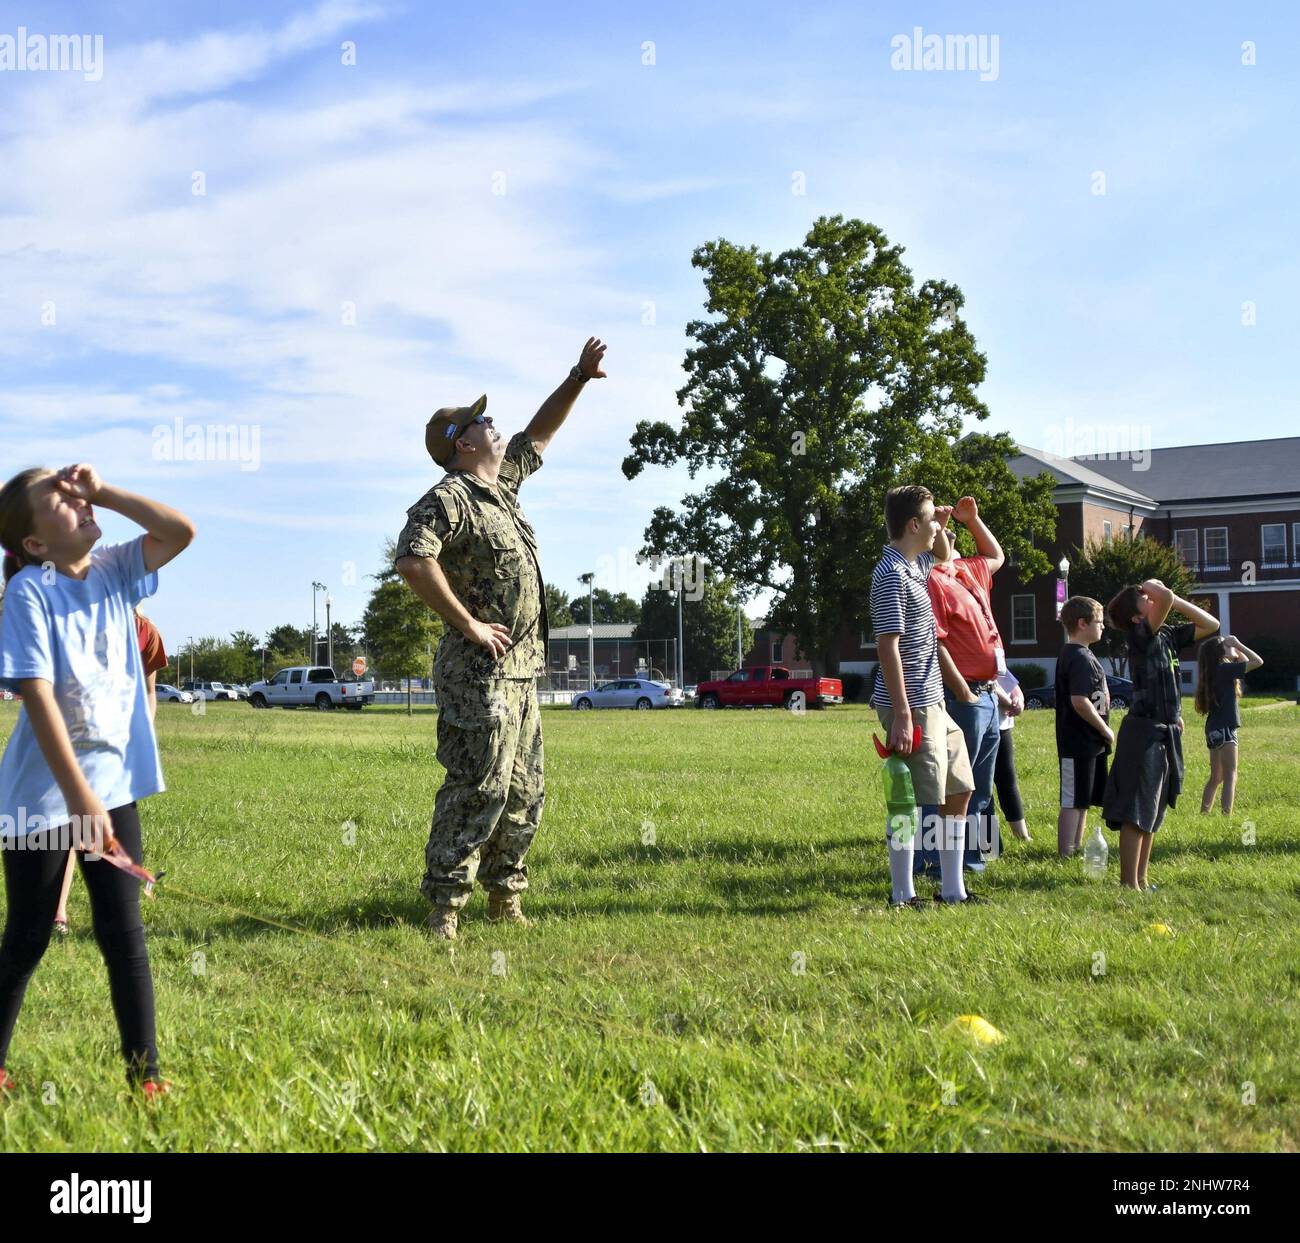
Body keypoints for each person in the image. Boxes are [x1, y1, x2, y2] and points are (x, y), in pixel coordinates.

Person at [395, 338, 608, 940]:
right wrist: (466, 623)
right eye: (483, 421)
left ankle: (505, 895)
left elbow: (538, 436)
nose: (495, 424)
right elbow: (414, 561)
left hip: (521, 672)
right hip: (478, 671)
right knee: (478, 784)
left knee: (524, 790)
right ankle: (444, 907)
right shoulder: (449, 499)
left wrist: (578, 378)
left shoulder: (502, 486)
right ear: (463, 442)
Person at [0, 463, 194, 1097]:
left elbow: (181, 531)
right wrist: (79, 801)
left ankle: (147, 1080)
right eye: (60, 500)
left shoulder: (114, 570)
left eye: (77, 493)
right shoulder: (31, 590)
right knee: (28, 937)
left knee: (124, 936)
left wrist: (104, 491)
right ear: (33, 544)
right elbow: (36, 693)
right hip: (41, 798)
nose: (76, 501)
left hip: (112, 790)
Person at [870, 485, 980, 908]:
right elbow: (888, 646)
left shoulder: (914, 565)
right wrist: (901, 714)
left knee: (959, 789)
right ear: (913, 525)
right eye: (931, 519)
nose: (939, 527)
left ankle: (952, 890)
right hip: (910, 704)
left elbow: (944, 556)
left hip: (934, 700)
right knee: (908, 798)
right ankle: (903, 894)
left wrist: (942, 524)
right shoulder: (891, 575)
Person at [53, 607, 168, 936]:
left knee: (101, 828)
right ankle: (58, 913)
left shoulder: (146, 632)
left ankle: (117, 915)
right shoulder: (83, 619)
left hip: (119, 751)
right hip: (75, 738)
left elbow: (149, 691)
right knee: (69, 827)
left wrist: (140, 736)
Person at [1101, 579, 1218, 890]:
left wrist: (1173, 600)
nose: (1151, 598)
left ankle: (1142, 879)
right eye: (1144, 599)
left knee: (1154, 809)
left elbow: (1211, 623)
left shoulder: (1166, 634)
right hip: (1143, 732)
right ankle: (1128, 884)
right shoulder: (1140, 636)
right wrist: (1157, 590)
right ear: (1138, 618)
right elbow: (1164, 597)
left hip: (1165, 731)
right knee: (1136, 810)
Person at [916, 495, 1006, 874]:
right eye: (942, 529)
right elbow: (935, 644)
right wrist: (962, 691)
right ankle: (932, 861)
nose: (949, 534)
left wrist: (973, 520)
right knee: (948, 786)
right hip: (964, 695)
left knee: (979, 788)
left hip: (987, 695)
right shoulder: (930, 580)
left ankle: (970, 859)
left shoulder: (968, 571)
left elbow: (996, 556)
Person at [1054, 597, 1113, 857]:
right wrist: (1104, 728)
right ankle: (1066, 851)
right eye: (1099, 622)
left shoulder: (1083, 653)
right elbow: (1079, 701)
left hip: (1091, 743)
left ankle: (1076, 846)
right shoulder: (1077, 656)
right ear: (1082, 623)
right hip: (1077, 740)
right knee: (1072, 798)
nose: (1103, 627)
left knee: (1084, 797)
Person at [1195, 634, 1263, 815]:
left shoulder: (1214, 670)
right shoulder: (1225, 669)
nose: (1230, 644)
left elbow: (1246, 661)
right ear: (1219, 652)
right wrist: (1239, 643)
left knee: (1216, 777)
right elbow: (1257, 661)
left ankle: (1204, 813)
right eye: (1226, 644)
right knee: (1230, 774)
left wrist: (1235, 649)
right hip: (1226, 727)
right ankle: (1227, 815)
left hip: (1213, 729)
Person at [992, 668, 1030, 842]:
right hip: (985, 723)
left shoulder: (995, 646)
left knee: (1007, 780)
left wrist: (1019, 702)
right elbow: (987, 681)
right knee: (982, 786)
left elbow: (1013, 685)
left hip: (1003, 725)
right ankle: (987, 842)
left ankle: (1022, 836)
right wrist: (1008, 701)